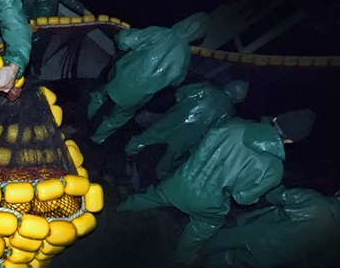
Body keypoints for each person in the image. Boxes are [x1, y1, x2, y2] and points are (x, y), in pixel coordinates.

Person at [117, 109, 317, 265]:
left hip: (183, 179)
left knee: (156, 195)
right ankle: (179, 257)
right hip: (207, 202)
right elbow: (243, 198)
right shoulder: (275, 169)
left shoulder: (235, 126)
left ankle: (120, 208)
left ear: (275, 119)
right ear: (290, 140)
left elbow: (203, 143)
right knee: (205, 225)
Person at [87, 12, 212, 144]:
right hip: (141, 94)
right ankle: (96, 139)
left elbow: (126, 40)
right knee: (119, 118)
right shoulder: (186, 55)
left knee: (100, 95)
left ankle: (86, 119)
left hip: (121, 77)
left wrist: (120, 39)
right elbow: (176, 81)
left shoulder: (160, 33)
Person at [203, 183, 340, 268]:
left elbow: (274, 196)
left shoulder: (314, 201)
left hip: (254, 234)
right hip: (275, 262)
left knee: (208, 250)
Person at [126, 80, 250, 180]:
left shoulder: (204, 87)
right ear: (239, 98)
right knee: (167, 162)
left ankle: (128, 157)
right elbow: (215, 131)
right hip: (187, 139)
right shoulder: (229, 111)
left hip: (170, 122)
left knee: (145, 139)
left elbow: (179, 94)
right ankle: (154, 182)